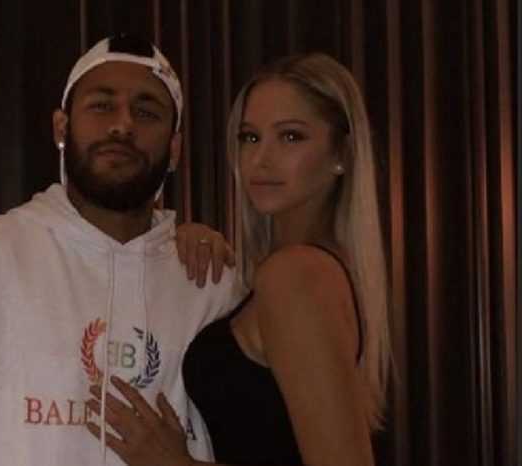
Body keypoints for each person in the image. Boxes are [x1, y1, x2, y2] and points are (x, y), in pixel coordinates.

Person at [0, 34, 244, 466]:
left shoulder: (211, 281)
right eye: (102, 105)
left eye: (146, 112)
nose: (122, 125)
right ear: (61, 128)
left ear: (175, 149)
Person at [84, 53, 390, 466]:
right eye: (250, 137)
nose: (262, 159)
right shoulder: (302, 270)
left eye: (291, 137)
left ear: (342, 155)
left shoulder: (295, 274)